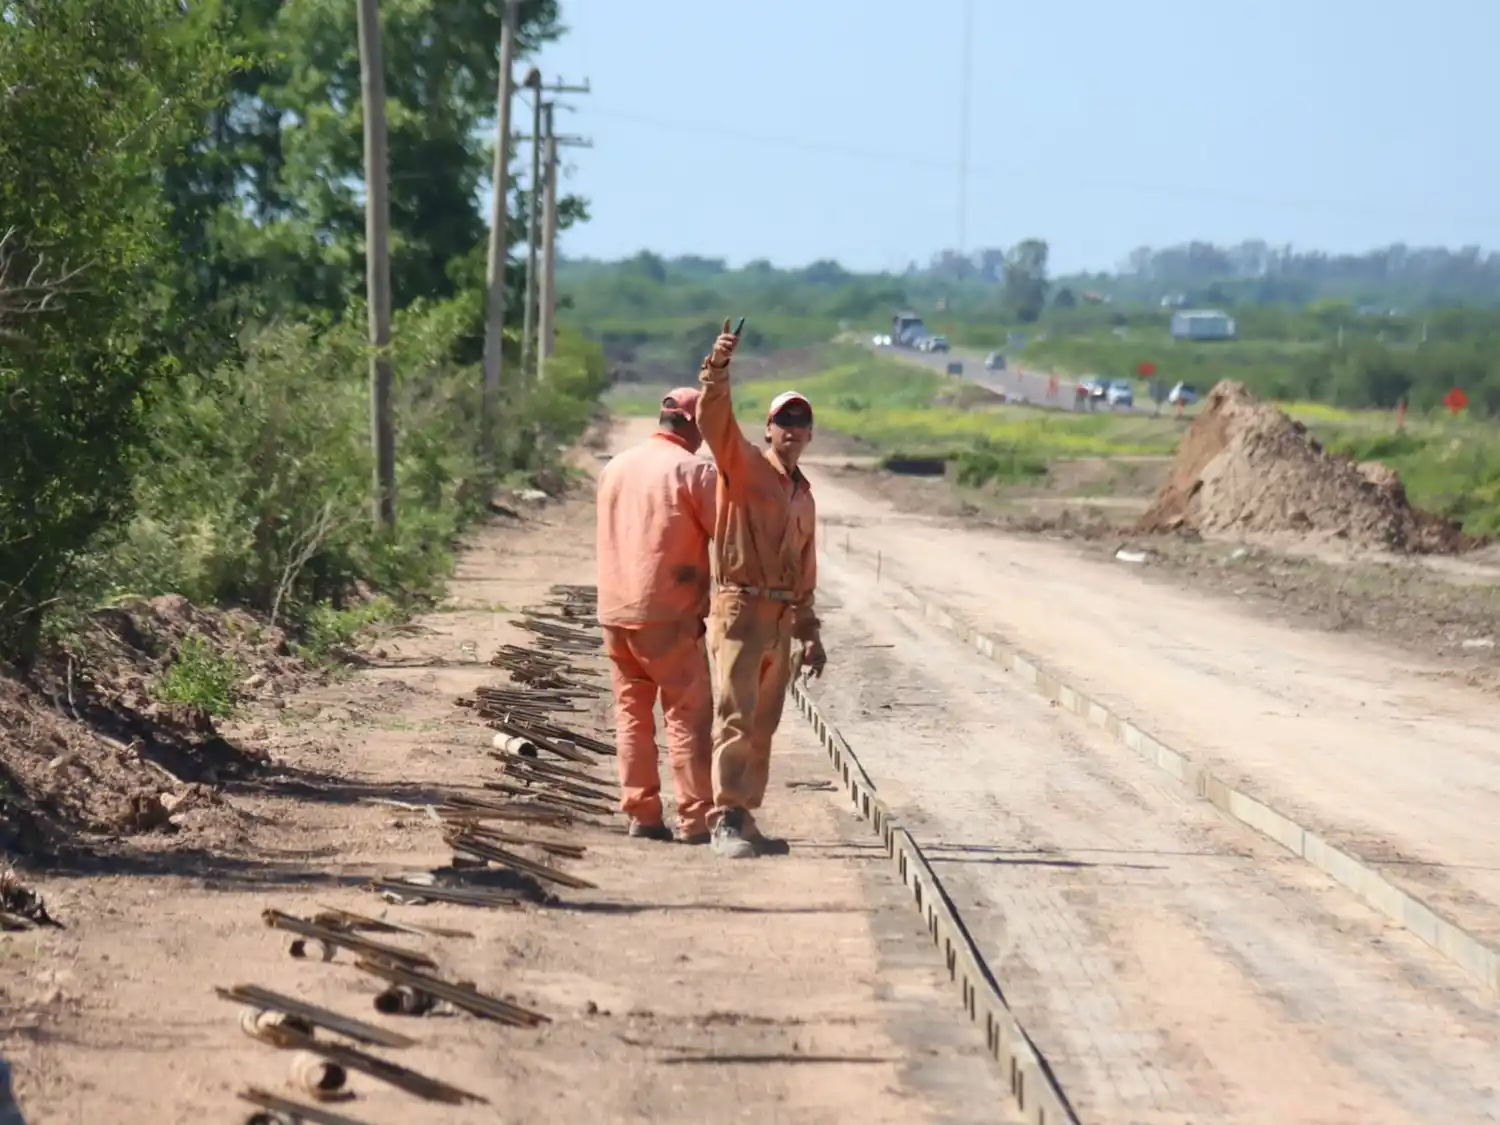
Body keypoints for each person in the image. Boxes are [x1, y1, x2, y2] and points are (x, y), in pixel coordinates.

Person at [696, 319, 827, 859]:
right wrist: (718, 366)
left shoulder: (803, 496)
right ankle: (723, 818)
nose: (792, 429)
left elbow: (806, 569)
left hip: (778, 621)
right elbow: (713, 419)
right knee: (733, 715)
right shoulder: (744, 466)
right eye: (783, 421)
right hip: (740, 609)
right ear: (768, 429)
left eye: (801, 421)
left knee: (764, 725)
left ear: (810, 433)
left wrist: (810, 631)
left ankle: (745, 814)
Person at [595, 388, 718, 844]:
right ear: (693, 424)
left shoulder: (616, 466)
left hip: (615, 611)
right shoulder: (693, 471)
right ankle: (695, 817)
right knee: (686, 714)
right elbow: (727, 534)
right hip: (666, 613)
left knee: (632, 714)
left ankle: (643, 814)